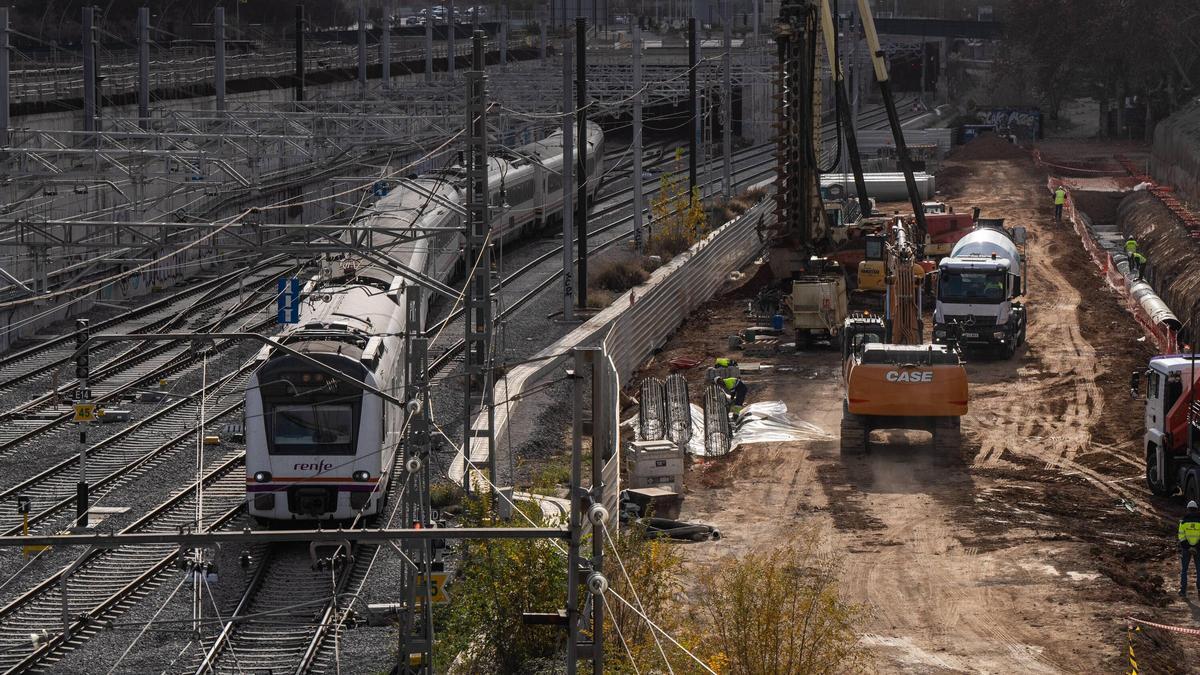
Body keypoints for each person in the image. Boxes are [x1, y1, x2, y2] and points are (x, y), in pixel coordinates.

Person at [1180, 501, 1200, 597]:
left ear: (1188, 509)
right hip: (1198, 549)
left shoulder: (1183, 521)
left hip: (1186, 549)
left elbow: (1181, 536)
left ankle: (1183, 590)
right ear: (1196, 509)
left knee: (1184, 569)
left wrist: (1188, 546)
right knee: (1199, 569)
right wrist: (1195, 546)